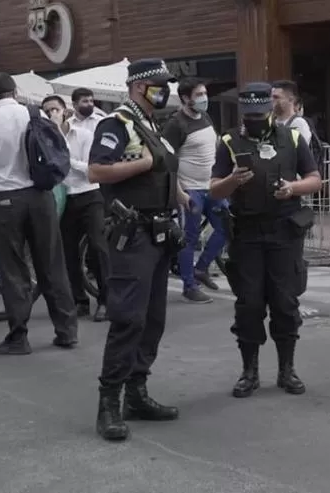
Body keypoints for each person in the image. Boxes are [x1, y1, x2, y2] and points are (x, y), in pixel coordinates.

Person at [87, 59, 190, 442]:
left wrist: (178, 194)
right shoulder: (117, 123)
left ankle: (137, 393)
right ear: (137, 87)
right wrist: (145, 163)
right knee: (129, 318)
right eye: (159, 84)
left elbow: (162, 170)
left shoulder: (150, 125)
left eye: (167, 84)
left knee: (153, 319)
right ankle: (109, 403)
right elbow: (97, 170)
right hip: (132, 235)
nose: (165, 90)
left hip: (159, 232)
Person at [0, 73, 77, 355]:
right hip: (41, 198)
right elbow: (61, 151)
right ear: (14, 92)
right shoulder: (35, 114)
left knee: (12, 270)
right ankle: (66, 331)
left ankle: (19, 337)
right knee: (52, 263)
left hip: (6, 201)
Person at [210, 82, 322, 398]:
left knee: (286, 303)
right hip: (246, 233)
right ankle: (250, 371)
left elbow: (315, 179)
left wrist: (294, 188)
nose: (256, 117)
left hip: (284, 230)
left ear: (270, 109)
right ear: (242, 110)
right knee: (249, 304)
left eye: (261, 111)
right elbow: (214, 189)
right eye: (250, 112)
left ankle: (287, 370)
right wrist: (232, 180)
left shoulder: (293, 138)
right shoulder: (229, 140)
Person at [162, 78, 225, 304]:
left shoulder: (205, 117)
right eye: (199, 95)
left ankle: (202, 267)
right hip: (190, 189)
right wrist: (179, 192)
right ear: (186, 98)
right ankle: (189, 285)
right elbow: (167, 161)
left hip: (212, 186)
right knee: (189, 238)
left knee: (227, 226)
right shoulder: (175, 124)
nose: (204, 98)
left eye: (205, 93)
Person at [57, 90, 111, 322]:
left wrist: (66, 161)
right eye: (48, 111)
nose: (52, 115)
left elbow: (92, 167)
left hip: (90, 194)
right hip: (64, 198)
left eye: (55, 110)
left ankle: (106, 300)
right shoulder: (49, 137)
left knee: (98, 247)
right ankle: (79, 301)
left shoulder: (88, 131)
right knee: (68, 252)